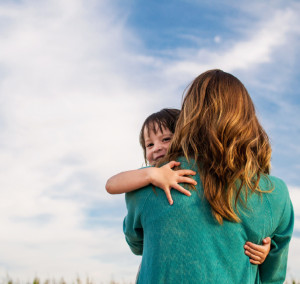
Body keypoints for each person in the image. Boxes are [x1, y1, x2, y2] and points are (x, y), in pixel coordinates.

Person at [123, 70, 294, 283]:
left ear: (187, 118)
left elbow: (137, 244)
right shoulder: (274, 193)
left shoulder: (149, 181)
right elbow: (272, 277)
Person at [107, 108, 271, 265]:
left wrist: (263, 248)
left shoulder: (205, 175)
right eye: (149, 145)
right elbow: (111, 184)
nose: (156, 148)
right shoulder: (151, 175)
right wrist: (152, 174)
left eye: (165, 139)